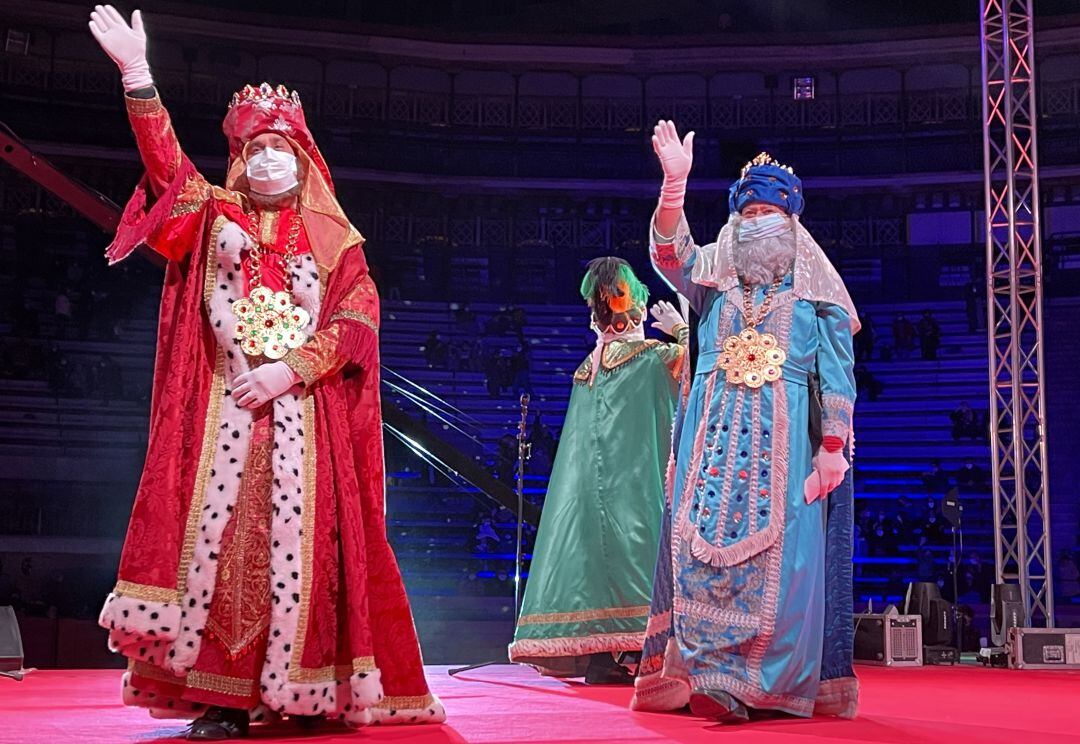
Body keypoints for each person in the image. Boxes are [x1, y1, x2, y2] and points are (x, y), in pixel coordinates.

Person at [88, 6, 444, 738]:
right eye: (253, 149)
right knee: (217, 556)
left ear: (305, 157)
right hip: (219, 415)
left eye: (279, 146)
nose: (266, 159)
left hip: (304, 424)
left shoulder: (336, 240)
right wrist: (138, 75)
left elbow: (359, 320)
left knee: (309, 557)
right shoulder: (214, 215)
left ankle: (301, 691)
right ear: (239, 159)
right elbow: (166, 168)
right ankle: (220, 697)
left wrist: (292, 371)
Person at [633, 124, 859, 722]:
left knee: (781, 566)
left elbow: (837, 374)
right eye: (749, 211)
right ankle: (708, 675)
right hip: (711, 441)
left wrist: (832, 447)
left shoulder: (819, 295)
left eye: (769, 211)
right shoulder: (714, 277)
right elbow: (667, 255)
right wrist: (675, 185)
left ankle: (762, 686)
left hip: (784, 447)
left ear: (791, 222)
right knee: (699, 552)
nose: (758, 220)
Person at [509, 258, 688, 684]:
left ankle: (603, 657)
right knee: (637, 558)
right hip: (634, 488)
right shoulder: (649, 358)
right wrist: (682, 329)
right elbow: (700, 370)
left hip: (592, 495)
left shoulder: (588, 368)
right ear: (634, 311)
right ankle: (645, 651)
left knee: (598, 563)